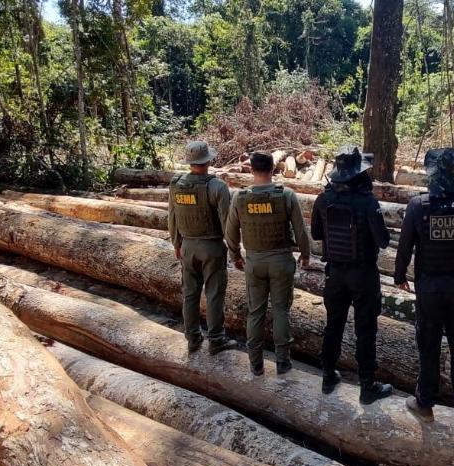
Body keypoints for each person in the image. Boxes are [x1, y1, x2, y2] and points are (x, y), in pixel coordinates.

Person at [393, 148, 454, 424]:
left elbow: (405, 248)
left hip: (430, 288)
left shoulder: (418, 206)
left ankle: (424, 403)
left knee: (428, 345)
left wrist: (399, 275)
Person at [310, 145, 394, 405]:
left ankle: (327, 376)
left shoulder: (323, 199)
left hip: (334, 274)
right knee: (365, 330)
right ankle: (367, 386)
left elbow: (315, 235)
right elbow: (382, 241)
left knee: (333, 324)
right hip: (363, 275)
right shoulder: (368, 202)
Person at [226, 151, 312, 375]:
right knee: (281, 310)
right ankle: (283, 362)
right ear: (273, 169)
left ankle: (255, 363)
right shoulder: (286, 195)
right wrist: (305, 254)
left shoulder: (240, 197)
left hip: (254, 261)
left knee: (256, 312)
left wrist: (235, 254)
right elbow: (301, 230)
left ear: (251, 170)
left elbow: (231, 232)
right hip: (281, 261)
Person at [168, 140, 238, 354]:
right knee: (214, 293)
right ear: (207, 161)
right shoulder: (217, 186)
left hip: (187, 245)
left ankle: (192, 337)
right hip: (212, 247)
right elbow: (228, 223)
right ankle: (216, 339)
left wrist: (176, 243)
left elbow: (172, 216)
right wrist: (235, 252)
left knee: (190, 293)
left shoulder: (176, 183)